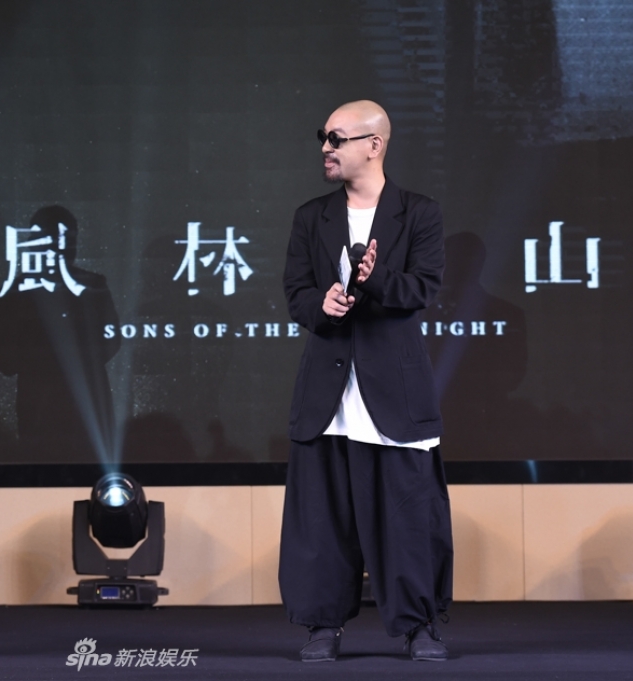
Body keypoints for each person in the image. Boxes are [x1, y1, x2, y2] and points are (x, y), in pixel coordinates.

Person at [279, 100, 453, 662]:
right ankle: (321, 627)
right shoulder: (312, 217)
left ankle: (419, 626)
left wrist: (374, 279)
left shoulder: (418, 213)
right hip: (327, 394)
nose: (325, 149)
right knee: (322, 519)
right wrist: (322, 304)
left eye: (336, 138)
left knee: (407, 517)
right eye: (323, 137)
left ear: (374, 145)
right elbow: (296, 292)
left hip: (394, 392)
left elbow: (422, 289)